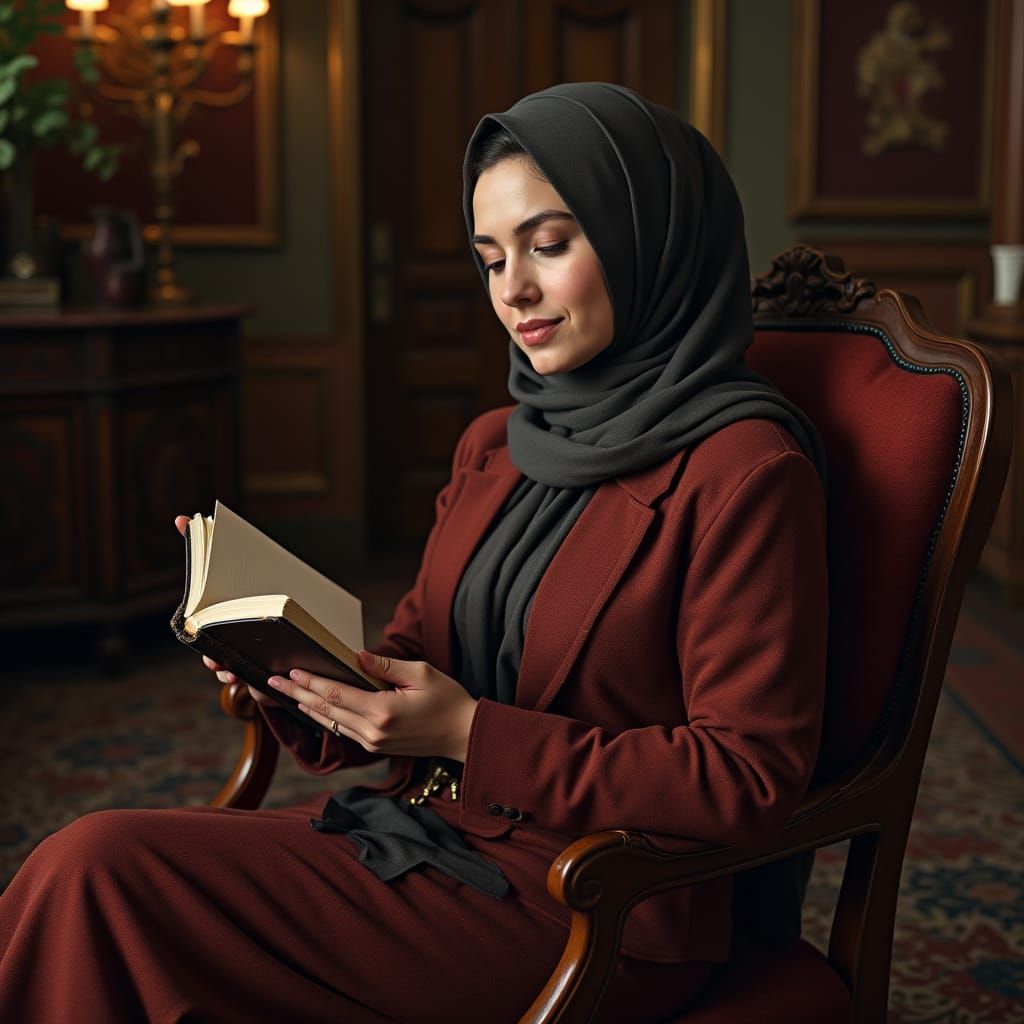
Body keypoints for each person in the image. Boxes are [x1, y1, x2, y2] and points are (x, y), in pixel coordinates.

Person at [0, 82, 828, 1023]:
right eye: (491, 258)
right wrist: (283, 662)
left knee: (100, 871)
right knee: (100, 881)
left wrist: (472, 735)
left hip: (590, 902)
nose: (513, 290)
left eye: (550, 245)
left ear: (651, 241)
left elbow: (748, 775)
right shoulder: (495, 445)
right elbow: (415, 653)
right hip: (419, 833)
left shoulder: (747, 472)